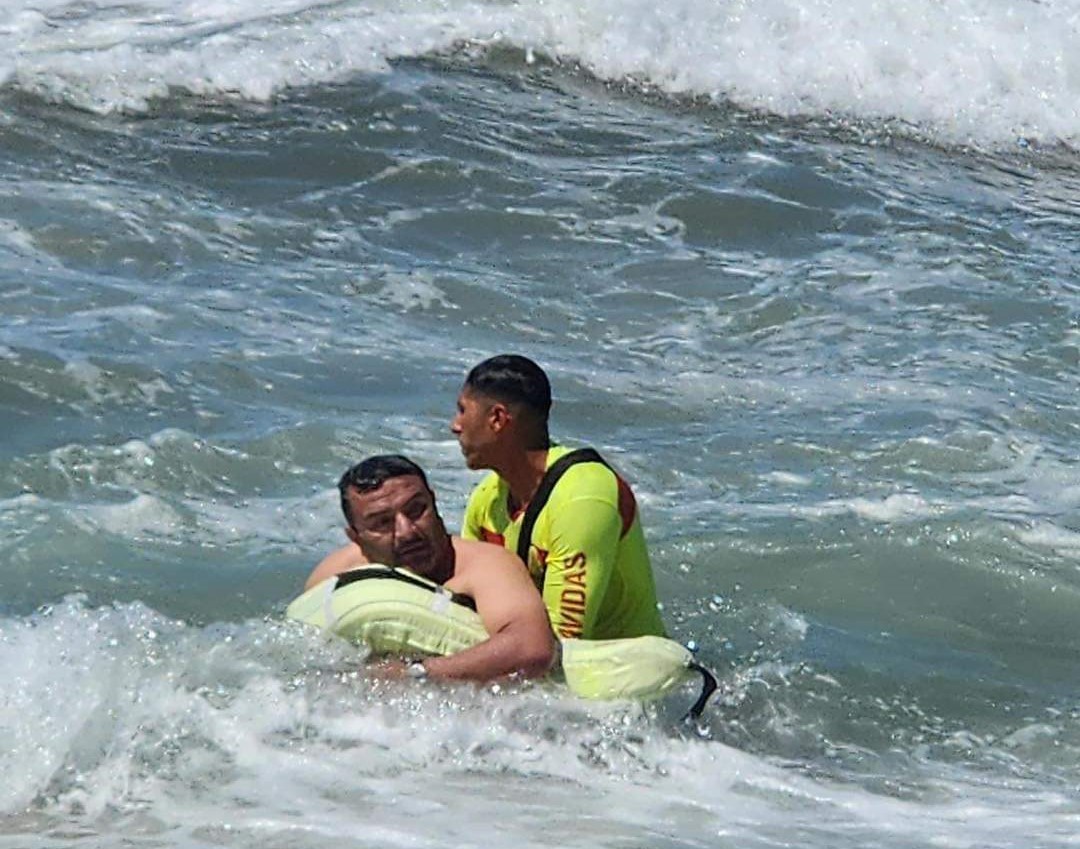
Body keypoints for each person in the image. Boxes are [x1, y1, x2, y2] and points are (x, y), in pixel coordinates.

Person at [451, 354, 666, 641]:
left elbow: (564, 644)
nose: (455, 425)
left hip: (619, 669)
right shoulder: (487, 499)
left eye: (463, 411)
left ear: (498, 419)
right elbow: (465, 600)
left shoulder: (583, 498)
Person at [305, 454, 555, 683]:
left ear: (434, 503)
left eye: (416, 510)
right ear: (356, 537)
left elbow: (532, 648)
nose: (407, 532)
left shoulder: (486, 567)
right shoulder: (335, 575)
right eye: (382, 522)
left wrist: (416, 673)